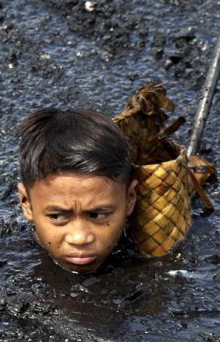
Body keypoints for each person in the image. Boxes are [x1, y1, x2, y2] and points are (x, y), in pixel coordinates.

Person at [17, 108, 138, 274]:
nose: (79, 238)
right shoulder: (9, 264)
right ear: (27, 203)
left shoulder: (151, 250)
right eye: (57, 216)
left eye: (97, 215)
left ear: (130, 199)